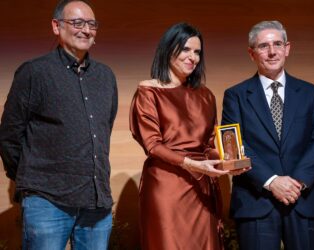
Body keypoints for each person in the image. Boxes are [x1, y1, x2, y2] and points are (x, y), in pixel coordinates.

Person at [0, 0, 118, 249]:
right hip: (47, 201)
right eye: (77, 22)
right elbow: (9, 135)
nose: (86, 29)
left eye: (91, 24)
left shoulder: (106, 76)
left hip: (96, 202)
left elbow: (103, 130)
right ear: (56, 26)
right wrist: (31, 178)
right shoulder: (34, 72)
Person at [221, 20, 314, 250]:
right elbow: (234, 147)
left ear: (287, 48)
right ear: (251, 53)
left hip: (303, 198)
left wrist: (296, 183)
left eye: (277, 44)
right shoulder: (235, 96)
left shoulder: (311, 93)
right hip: (255, 200)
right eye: (263, 46)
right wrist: (271, 182)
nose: (272, 52)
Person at [130, 22, 231, 250]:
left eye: (197, 52)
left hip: (201, 188)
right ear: (168, 49)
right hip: (166, 187)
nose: (192, 57)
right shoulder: (148, 90)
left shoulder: (206, 95)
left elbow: (208, 145)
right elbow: (152, 145)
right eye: (186, 49)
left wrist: (229, 161)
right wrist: (192, 164)